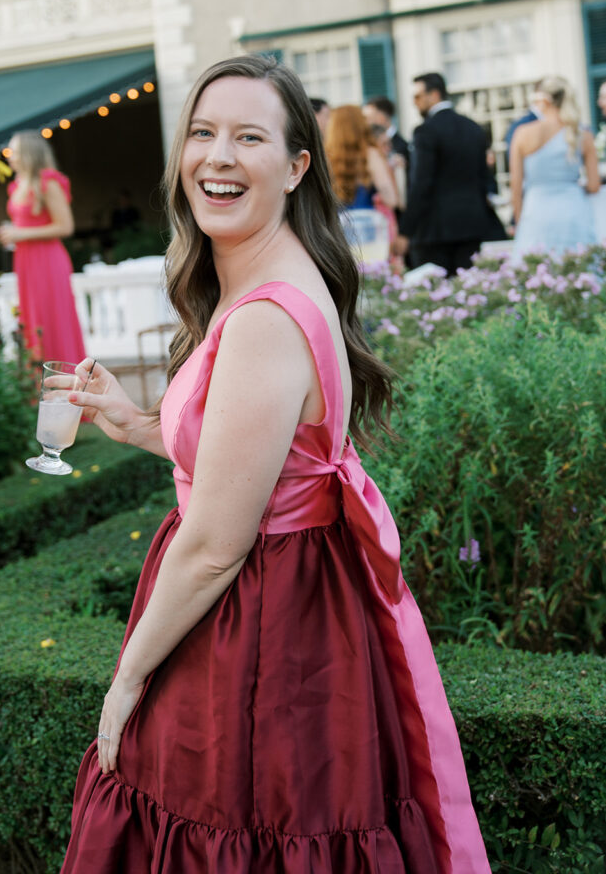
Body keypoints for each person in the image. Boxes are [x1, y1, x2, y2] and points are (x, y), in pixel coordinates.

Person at [59, 55, 490, 873]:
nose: (216, 157)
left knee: (241, 830)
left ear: (296, 167)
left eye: (247, 137)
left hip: (260, 623)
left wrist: (125, 681)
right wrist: (139, 424)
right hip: (287, 601)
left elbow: (218, 540)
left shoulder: (264, 316)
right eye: (202, 133)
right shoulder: (268, 277)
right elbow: (260, 454)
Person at [399, 72, 503, 276]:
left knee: (436, 297)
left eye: (418, 96)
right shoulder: (473, 128)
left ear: (435, 94)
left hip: (435, 231)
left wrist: (406, 230)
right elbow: (486, 179)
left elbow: (421, 184)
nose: (414, 103)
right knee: (471, 294)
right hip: (474, 226)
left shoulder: (425, 131)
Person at [0, 130, 86, 362]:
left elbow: (65, 226)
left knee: (52, 318)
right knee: (32, 319)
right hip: (25, 260)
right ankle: (37, 381)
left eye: (14, 152)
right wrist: (12, 234)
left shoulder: (49, 182)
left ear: (28, 153)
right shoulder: (15, 186)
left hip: (47, 259)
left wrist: (21, 233)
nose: (9, 157)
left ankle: (64, 378)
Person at [510, 76, 599, 263]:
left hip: (536, 213)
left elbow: (516, 187)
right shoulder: (583, 134)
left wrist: (519, 223)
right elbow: (594, 186)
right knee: (579, 274)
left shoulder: (523, 133)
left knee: (535, 275)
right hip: (573, 211)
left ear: (543, 100)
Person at [324, 104, 400, 264]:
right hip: (367, 231)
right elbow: (391, 199)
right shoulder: (369, 153)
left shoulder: (325, 157)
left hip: (336, 232)